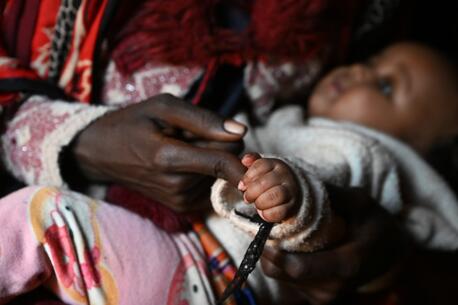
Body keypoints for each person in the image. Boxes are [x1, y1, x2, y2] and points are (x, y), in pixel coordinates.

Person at [0, 1, 410, 304]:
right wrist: (78, 139)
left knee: (38, 219)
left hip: (188, 262)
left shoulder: (356, 149)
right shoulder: (283, 116)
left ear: (409, 143)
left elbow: (319, 206)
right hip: (173, 272)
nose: (360, 72)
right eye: (373, 61)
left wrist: (290, 195)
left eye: (386, 88)